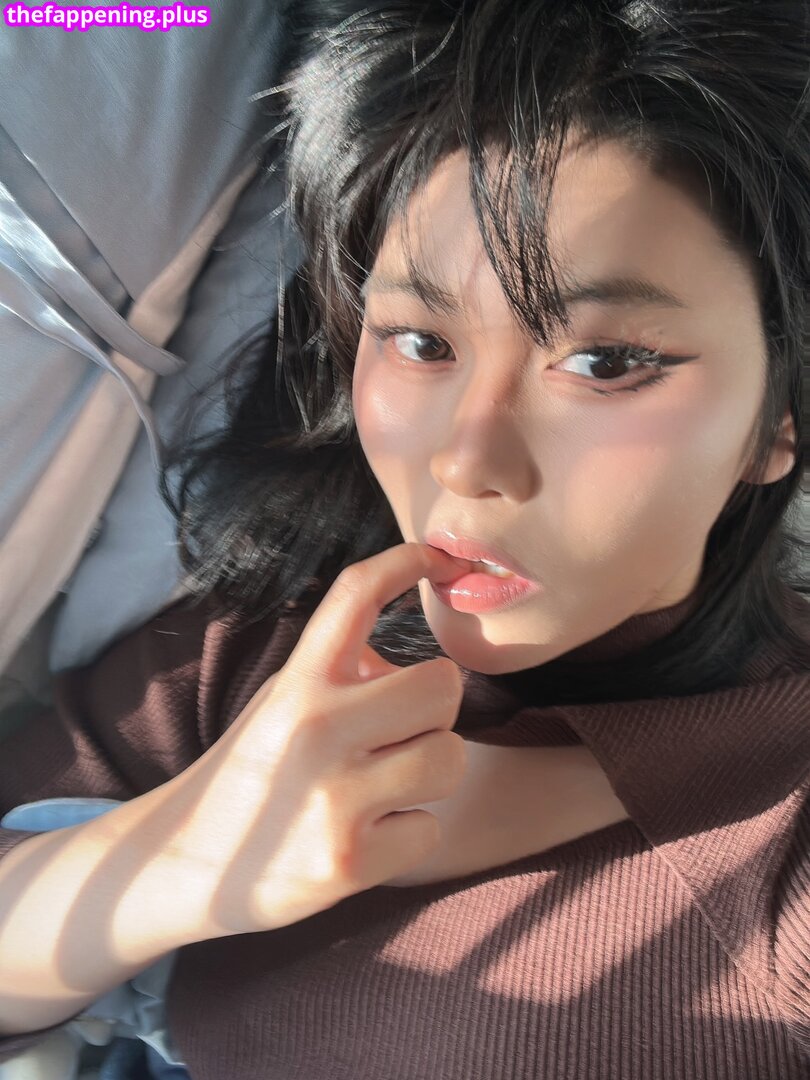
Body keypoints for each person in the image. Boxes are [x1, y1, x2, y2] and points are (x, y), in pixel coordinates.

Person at [0, 0, 808, 1076]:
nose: (467, 461)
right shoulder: (266, 650)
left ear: (779, 418)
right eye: (422, 342)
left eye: (607, 363)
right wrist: (180, 855)